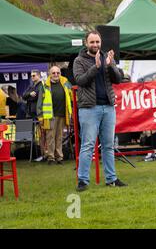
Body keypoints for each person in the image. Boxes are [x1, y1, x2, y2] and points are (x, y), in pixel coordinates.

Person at [73, 30, 126, 191]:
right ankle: (83, 180)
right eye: (92, 42)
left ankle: (111, 179)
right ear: (86, 43)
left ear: (101, 42)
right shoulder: (79, 61)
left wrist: (110, 65)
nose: (95, 45)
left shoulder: (107, 57)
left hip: (108, 107)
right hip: (89, 108)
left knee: (108, 145)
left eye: (97, 42)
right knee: (88, 145)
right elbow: (80, 80)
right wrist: (95, 67)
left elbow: (118, 79)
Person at [36, 66, 72, 164]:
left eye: (58, 72)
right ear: (49, 74)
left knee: (59, 137)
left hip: (62, 115)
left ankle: (59, 157)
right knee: (50, 137)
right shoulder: (44, 85)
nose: (56, 74)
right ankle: (51, 157)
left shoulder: (65, 82)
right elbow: (39, 102)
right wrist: (40, 116)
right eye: (53, 73)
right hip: (50, 116)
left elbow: (72, 94)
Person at [23, 70, 47, 160]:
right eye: (31, 76)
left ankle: (44, 154)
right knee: (35, 135)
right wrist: (29, 94)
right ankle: (41, 154)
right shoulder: (32, 86)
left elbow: (36, 97)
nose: (32, 77)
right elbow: (23, 95)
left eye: (34, 76)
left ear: (38, 76)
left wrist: (29, 97)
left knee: (42, 135)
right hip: (31, 114)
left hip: (39, 114)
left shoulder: (41, 86)